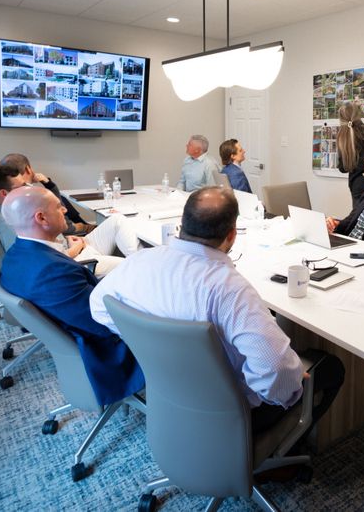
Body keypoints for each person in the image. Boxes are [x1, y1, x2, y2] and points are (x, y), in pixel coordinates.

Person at [90, 187, 345, 441]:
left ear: (182, 224)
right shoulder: (230, 290)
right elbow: (276, 371)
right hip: (230, 413)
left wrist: (147, 343)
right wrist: (292, 379)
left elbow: (98, 306)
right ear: (232, 235)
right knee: (329, 367)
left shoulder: (140, 261)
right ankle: (272, 453)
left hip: (167, 393)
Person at [0, 186, 144, 406]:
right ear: (41, 217)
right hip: (107, 352)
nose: (65, 210)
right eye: (59, 206)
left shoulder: (15, 255)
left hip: (72, 330)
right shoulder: (53, 272)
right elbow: (102, 325)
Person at [0, 166, 138, 277]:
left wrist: (69, 241)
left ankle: (140, 257)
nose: (28, 187)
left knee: (117, 220)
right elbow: (43, 262)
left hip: (71, 247)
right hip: (74, 261)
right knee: (134, 267)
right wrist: (75, 248)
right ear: (4, 193)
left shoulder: (6, 213)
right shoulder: (11, 223)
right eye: (23, 185)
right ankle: (142, 262)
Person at [0, 152, 94, 235]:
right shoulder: (30, 197)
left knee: (62, 199)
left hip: (60, 236)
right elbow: (65, 228)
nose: (63, 210)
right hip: (67, 237)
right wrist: (83, 227)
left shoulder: (10, 199)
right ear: (28, 169)